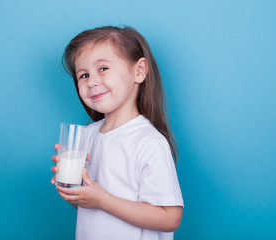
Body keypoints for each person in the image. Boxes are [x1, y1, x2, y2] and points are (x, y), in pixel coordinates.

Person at [51, 26, 183, 240]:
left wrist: (102, 199)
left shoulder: (148, 142)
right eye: (83, 75)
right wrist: (76, 194)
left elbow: (170, 218)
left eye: (102, 69)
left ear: (138, 71)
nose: (92, 81)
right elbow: (95, 210)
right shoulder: (88, 135)